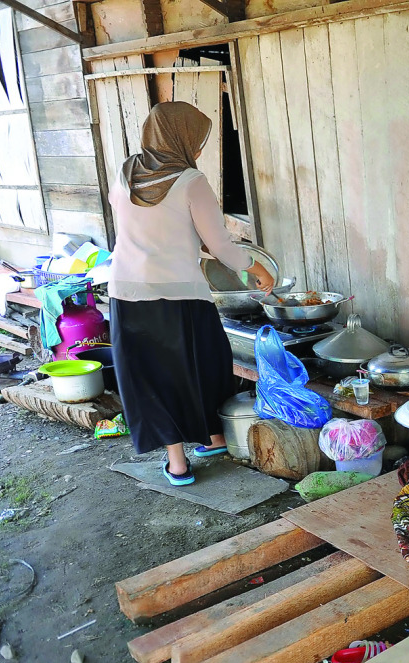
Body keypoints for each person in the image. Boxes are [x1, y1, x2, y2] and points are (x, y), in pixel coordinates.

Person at [108, 102, 275, 487]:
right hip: (179, 294)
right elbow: (221, 246)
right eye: (197, 140)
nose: (199, 149)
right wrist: (257, 268)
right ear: (180, 139)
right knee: (205, 363)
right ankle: (206, 441)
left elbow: (146, 227)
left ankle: (184, 458)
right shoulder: (191, 181)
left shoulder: (125, 171)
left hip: (126, 291)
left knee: (153, 375)